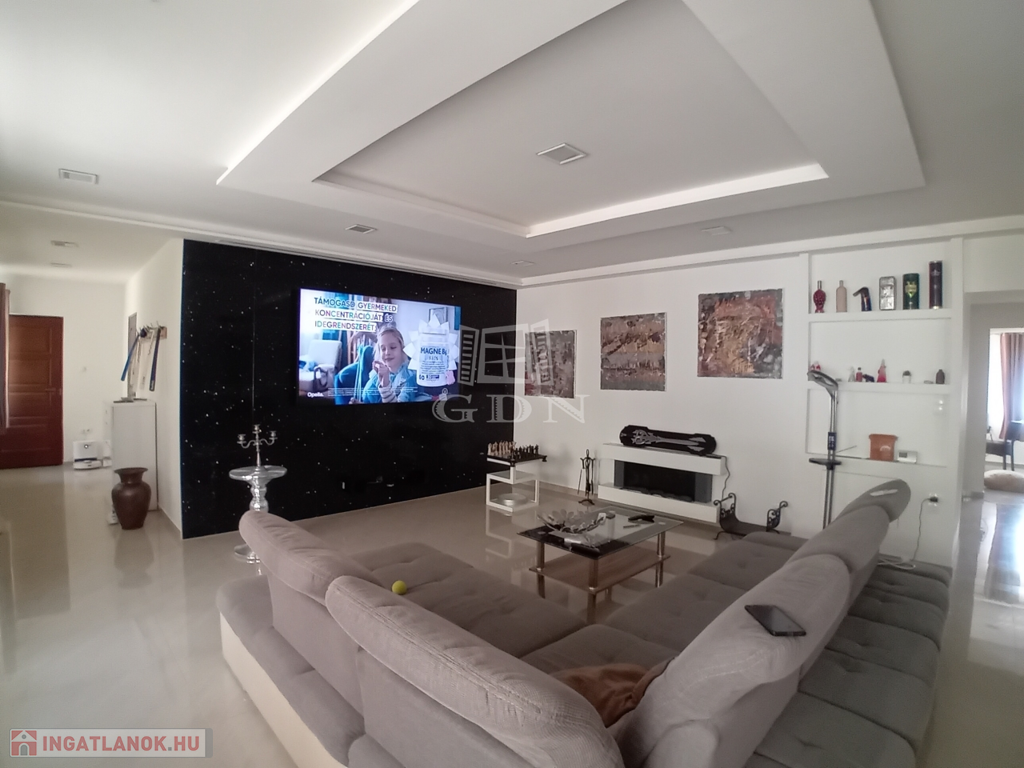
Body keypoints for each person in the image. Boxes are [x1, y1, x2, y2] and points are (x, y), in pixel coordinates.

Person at [359, 327, 424, 403]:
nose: (387, 352)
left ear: (402, 349)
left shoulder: (409, 377)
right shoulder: (376, 375)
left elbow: (397, 409)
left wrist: (385, 385)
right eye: (383, 349)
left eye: (392, 347)